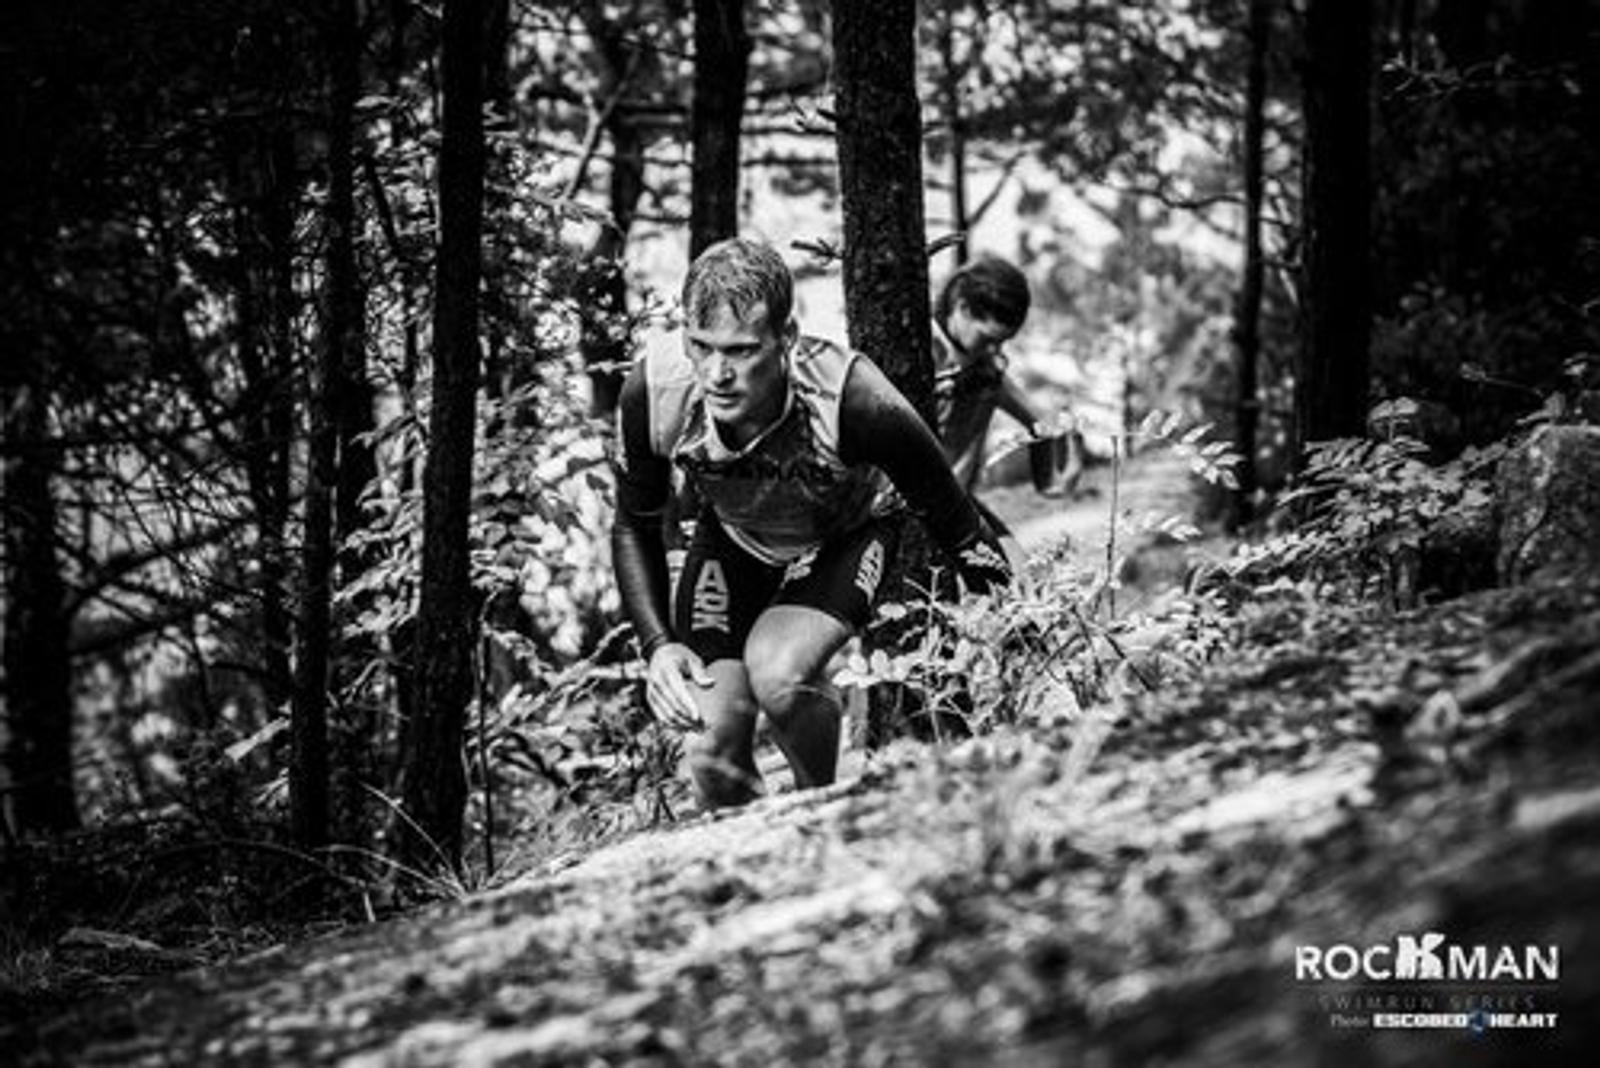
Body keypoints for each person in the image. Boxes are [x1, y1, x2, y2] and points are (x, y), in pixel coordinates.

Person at [610, 238, 1012, 809]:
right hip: (736, 539)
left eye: (742, 351)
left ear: (786, 339)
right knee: (710, 750)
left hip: (846, 534)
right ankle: (746, 875)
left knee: (781, 675)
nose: (718, 374)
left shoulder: (854, 397)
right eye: (702, 347)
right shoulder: (655, 390)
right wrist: (657, 646)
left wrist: (1023, 629)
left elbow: (954, 519)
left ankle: (817, 813)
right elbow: (633, 523)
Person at [932, 257, 1081, 497]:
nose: (994, 351)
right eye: (987, 339)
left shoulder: (986, 371)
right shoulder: (921, 354)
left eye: (1001, 343)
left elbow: (1039, 421)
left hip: (955, 508)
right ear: (963, 308)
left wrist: (1048, 481)